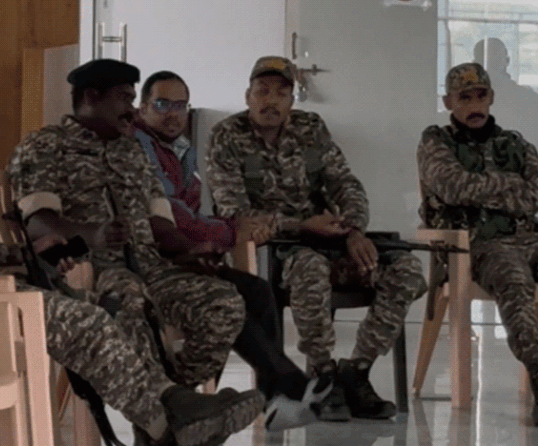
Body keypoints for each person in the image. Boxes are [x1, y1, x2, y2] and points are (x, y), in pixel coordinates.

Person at [0, 55, 264, 446]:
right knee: (94, 318)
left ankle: (173, 414)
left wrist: (35, 255)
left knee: (99, 311)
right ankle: (169, 422)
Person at [7, 58, 266, 442]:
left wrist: (191, 249)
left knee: (224, 303)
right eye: (124, 99)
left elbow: (160, 222)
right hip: (90, 272)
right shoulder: (46, 146)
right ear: (90, 97)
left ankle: (175, 410)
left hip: (151, 267)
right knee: (127, 298)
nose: (131, 110)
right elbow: (39, 222)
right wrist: (93, 234)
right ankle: (170, 416)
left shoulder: (131, 151)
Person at [206, 56, 427, 422]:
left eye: (281, 93)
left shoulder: (310, 128)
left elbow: (346, 184)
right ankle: (323, 378)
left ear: (292, 100)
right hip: (272, 251)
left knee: (405, 269)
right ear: (247, 96)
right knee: (310, 268)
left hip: (328, 239)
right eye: (263, 92)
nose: (271, 101)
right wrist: (302, 226)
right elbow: (235, 214)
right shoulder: (226, 136)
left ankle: (355, 373)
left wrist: (353, 229)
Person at [134, 70, 329, 430]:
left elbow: (190, 213)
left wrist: (222, 233)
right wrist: (230, 231)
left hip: (183, 256)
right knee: (230, 298)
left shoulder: (180, 149)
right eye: (162, 104)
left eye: (181, 105)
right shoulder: (138, 147)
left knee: (258, 292)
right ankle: (288, 384)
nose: (173, 114)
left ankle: (276, 398)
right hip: (154, 262)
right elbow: (171, 215)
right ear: (142, 107)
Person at [418, 62, 538, 425]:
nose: (474, 105)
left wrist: (484, 188)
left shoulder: (514, 144)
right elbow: (453, 187)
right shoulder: (437, 142)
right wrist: (512, 186)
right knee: (515, 281)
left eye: (480, 96)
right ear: (448, 102)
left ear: (491, 98)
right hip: (478, 246)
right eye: (464, 98)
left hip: (528, 237)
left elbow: (535, 193)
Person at [473, 37, 538, 147]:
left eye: (494, 60)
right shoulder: (529, 98)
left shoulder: (528, 99)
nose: (489, 65)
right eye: (486, 61)